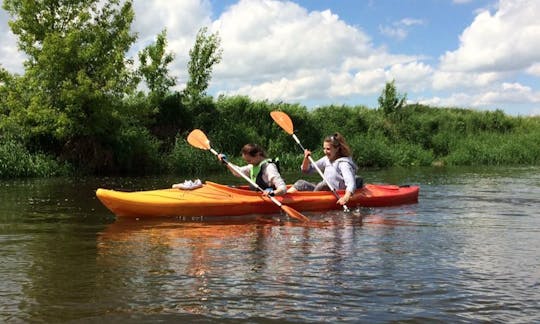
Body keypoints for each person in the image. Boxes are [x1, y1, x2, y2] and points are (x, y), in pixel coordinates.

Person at [287, 132, 358, 206]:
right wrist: (306, 158)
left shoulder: (344, 164)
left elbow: (351, 183)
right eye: (324, 148)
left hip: (336, 193)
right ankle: (284, 198)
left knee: (323, 184)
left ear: (337, 149)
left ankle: (308, 202)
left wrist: (346, 197)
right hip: (322, 191)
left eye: (328, 149)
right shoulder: (326, 159)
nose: (325, 152)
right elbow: (306, 170)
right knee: (301, 183)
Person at [218, 144, 287, 196]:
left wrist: (273, 193)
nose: (248, 163)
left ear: (258, 155)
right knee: (231, 187)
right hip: (257, 195)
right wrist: (226, 162)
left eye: (249, 160)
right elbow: (238, 172)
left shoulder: (269, 167)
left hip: (269, 196)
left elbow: (283, 188)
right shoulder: (253, 166)